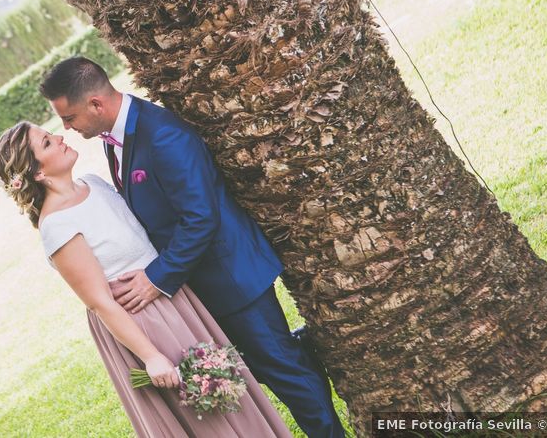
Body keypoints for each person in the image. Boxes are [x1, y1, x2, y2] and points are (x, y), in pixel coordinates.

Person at [37, 56, 346, 438]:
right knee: (265, 367)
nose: (66, 128)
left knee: (286, 372)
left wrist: (157, 278)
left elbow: (201, 218)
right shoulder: (113, 138)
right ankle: (300, 348)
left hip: (231, 278)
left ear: (96, 105)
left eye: (69, 117)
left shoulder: (162, 134)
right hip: (199, 285)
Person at [0, 122, 292, 437]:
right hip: (143, 322)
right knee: (210, 417)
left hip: (175, 301)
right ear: (37, 173)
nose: (59, 137)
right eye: (47, 142)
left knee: (230, 396)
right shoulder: (57, 225)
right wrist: (151, 356)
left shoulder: (93, 183)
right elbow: (99, 302)